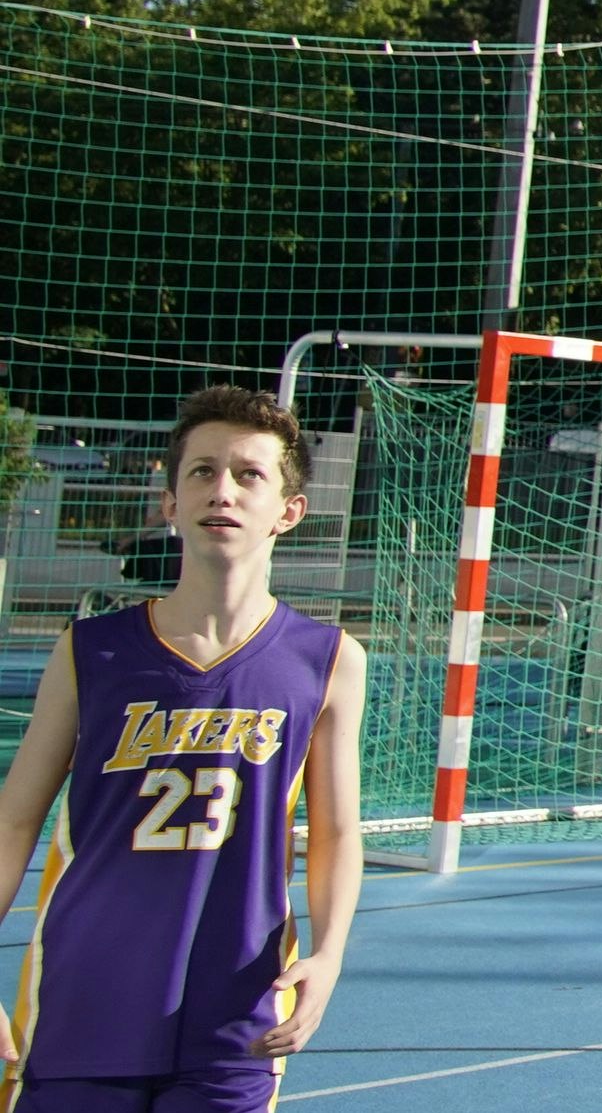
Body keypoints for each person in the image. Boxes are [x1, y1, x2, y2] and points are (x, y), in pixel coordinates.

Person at [0, 384, 368, 1111]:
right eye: (200, 471)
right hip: (85, 994)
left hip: (236, 1006)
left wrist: (329, 956)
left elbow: (335, 830)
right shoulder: (91, 651)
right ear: (169, 503)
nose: (221, 491)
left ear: (288, 513)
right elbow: (14, 820)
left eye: (248, 474)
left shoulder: (326, 660)